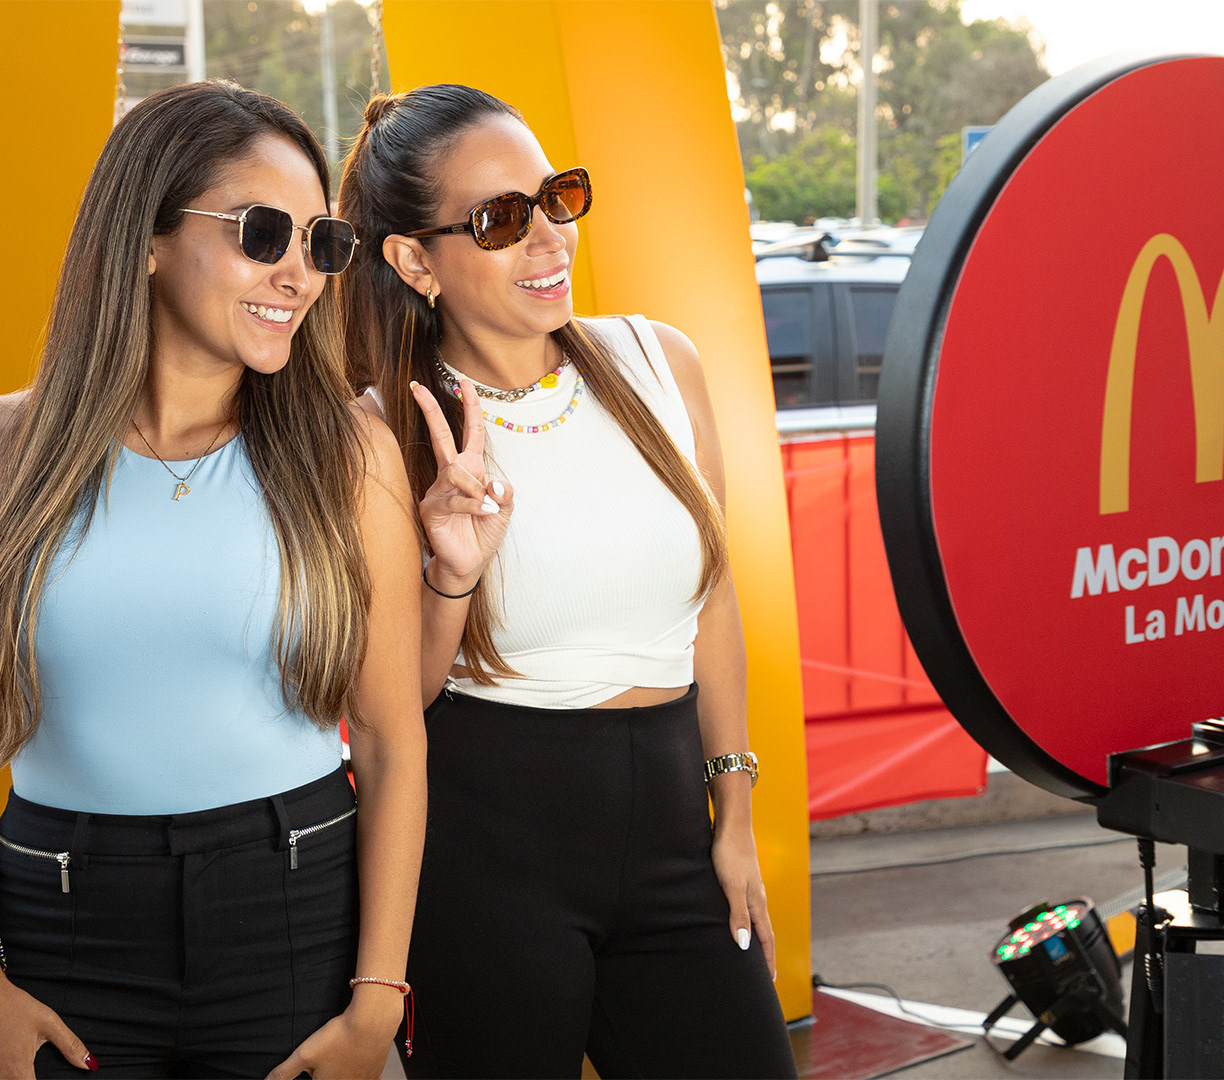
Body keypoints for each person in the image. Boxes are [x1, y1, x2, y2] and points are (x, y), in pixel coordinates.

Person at [336, 84, 797, 1078]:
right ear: (414, 262)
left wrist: (734, 817)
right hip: (485, 859)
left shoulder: (660, 360)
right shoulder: (378, 435)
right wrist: (453, 576)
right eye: (500, 219)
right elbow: (391, 705)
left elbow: (713, 600)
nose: (548, 237)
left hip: (675, 834)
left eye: (557, 197)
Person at [0, 81, 427, 1078]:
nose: (299, 275)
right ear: (146, 237)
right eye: (262, 232)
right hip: (58, 922)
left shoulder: (349, 455)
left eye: (321, 243)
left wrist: (377, 999)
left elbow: (391, 740)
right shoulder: (12, 450)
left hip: (297, 912)